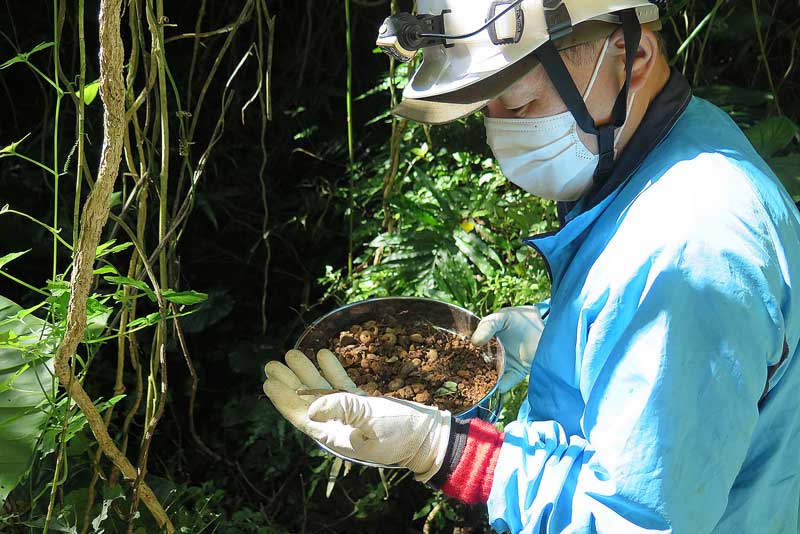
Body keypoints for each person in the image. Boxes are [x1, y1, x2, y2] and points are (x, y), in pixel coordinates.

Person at [263, 1, 800, 531]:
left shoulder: (686, 251)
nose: (501, 135)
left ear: (632, 56)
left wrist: (446, 452)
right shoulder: (672, 145)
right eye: (487, 110)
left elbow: (632, 520)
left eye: (519, 107)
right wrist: (562, 328)